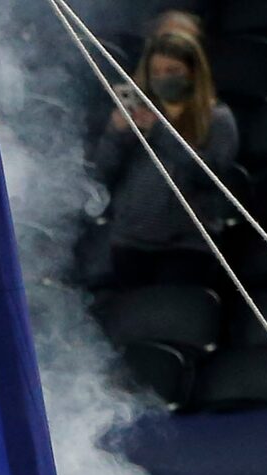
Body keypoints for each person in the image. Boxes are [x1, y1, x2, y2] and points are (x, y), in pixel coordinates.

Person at [85, 30, 236, 290]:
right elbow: (102, 173)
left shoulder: (216, 118)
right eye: (156, 72)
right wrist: (115, 133)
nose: (163, 78)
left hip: (187, 247)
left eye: (172, 70)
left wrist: (158, 130)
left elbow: (209, 175)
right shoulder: (138, 114)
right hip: (129, 242)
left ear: (192, 72)